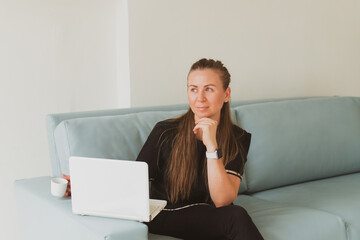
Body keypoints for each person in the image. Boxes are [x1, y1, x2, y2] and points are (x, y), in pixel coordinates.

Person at [136, 58, 264, 240]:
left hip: (210, 215)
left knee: (233, 216)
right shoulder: (164, 131)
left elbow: (222, 200)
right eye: (193, 89)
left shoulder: (238, 138)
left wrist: (212, 147)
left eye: (209, 89)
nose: (200, 98)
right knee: (236, 218)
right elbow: (134, 183)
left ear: (226, 94)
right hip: (166, 213)